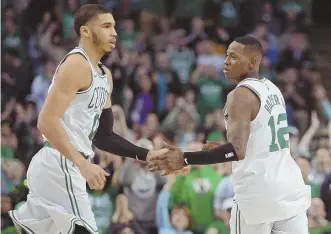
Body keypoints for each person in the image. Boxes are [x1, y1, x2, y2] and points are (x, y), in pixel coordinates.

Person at [8, 4, 169, 234]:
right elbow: (45, 121)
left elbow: (105, 137)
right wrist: (84, 164)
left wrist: (147, 155)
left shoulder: (105, 76)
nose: (114, 32)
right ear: (85, 32)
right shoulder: (76, 64)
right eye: (106, 26)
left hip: (66, 165)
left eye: (114, 26)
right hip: (59, 162)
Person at [147, 36, 311, 234]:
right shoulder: (272, 88)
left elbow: (236, 150)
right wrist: (221, 148)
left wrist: (185, 158)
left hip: (259, 192)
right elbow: (260, 139)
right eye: (226, 56)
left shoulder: (240, 94)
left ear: (252, 62)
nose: (226, 62)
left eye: (233, 57)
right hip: (289, 187)